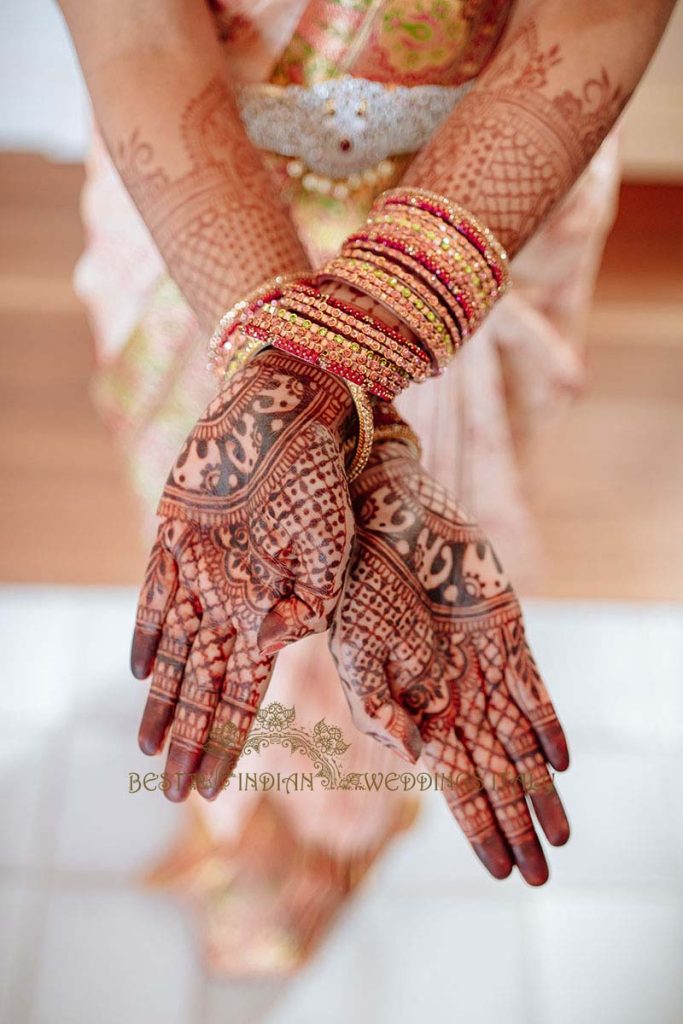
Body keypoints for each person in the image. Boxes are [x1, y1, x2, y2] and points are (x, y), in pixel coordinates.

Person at [58, 0, 674, 974]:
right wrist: (315, 379)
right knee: (229, 555)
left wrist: (325, 367)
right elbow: (133, 31)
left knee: (407, 568)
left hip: (489, 200)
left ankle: (338, 817)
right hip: (200, 213)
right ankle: (271, 801)